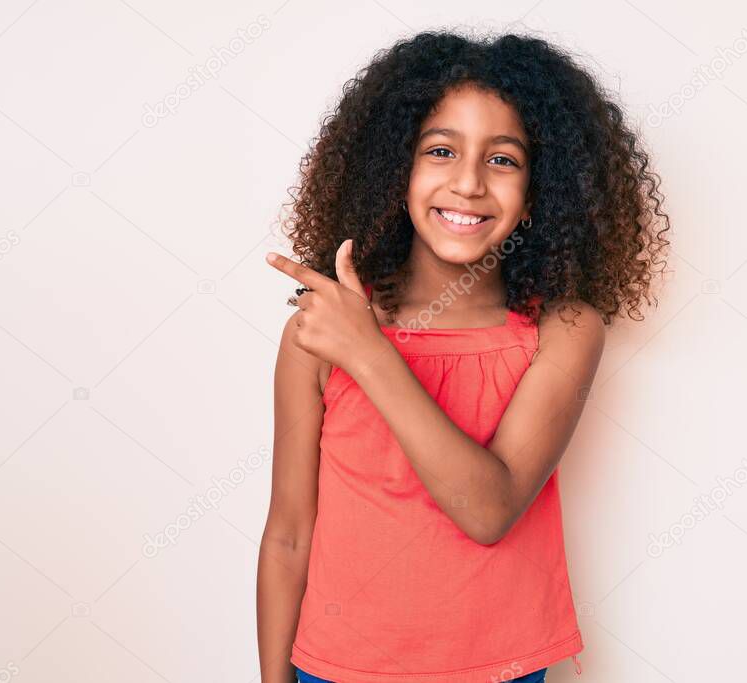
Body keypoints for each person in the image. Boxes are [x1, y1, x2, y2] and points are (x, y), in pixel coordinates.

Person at [257, 30, 670, 683]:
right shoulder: (319, 333)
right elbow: (287, 533)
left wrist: (371, 353)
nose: (469, 182)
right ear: (397, 171)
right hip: (336, 669)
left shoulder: (564, 329)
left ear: (539, 190)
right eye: (441, 151)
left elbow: (489, 507)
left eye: (502, 159)